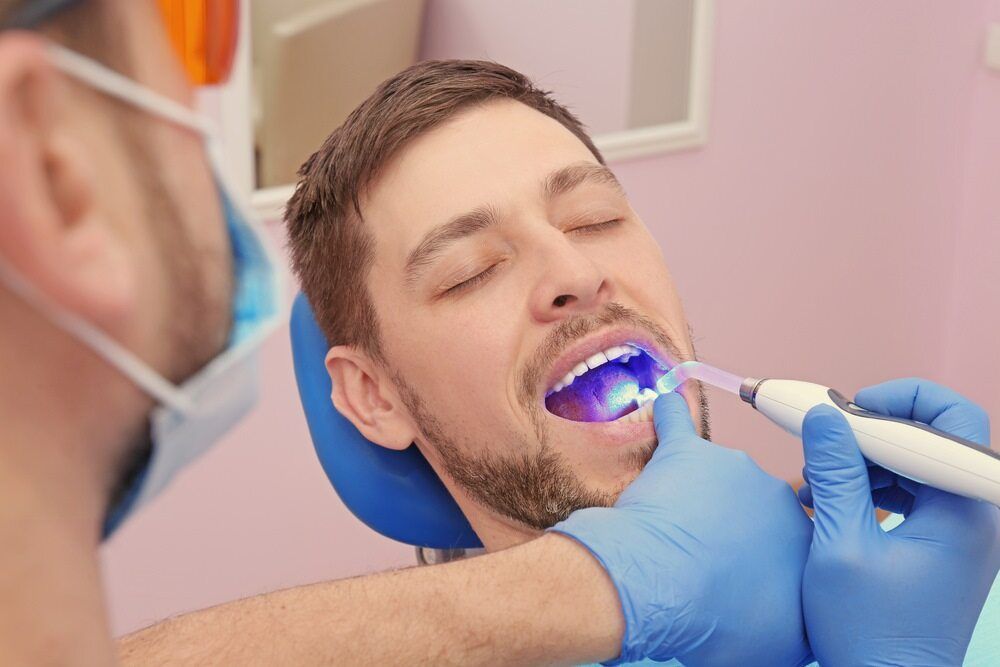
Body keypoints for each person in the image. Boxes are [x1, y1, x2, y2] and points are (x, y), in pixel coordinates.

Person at [0, 2, 991, 665]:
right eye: (471, 270)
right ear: (372, 395)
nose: (573, 274)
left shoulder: (942, 591)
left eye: (596, 217)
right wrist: (600, 585)